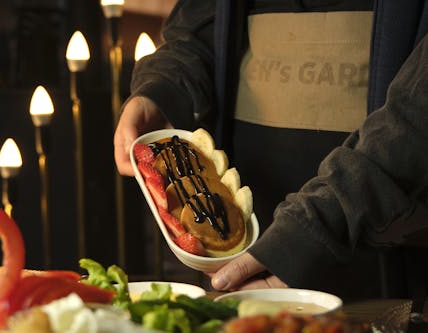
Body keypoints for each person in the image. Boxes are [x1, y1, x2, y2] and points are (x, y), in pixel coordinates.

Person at [114, 0, 428, 299]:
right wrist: (162, 88)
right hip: (244, 254)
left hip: (389, 267)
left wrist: (319, 226)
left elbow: (417, 114)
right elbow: (198, 26)